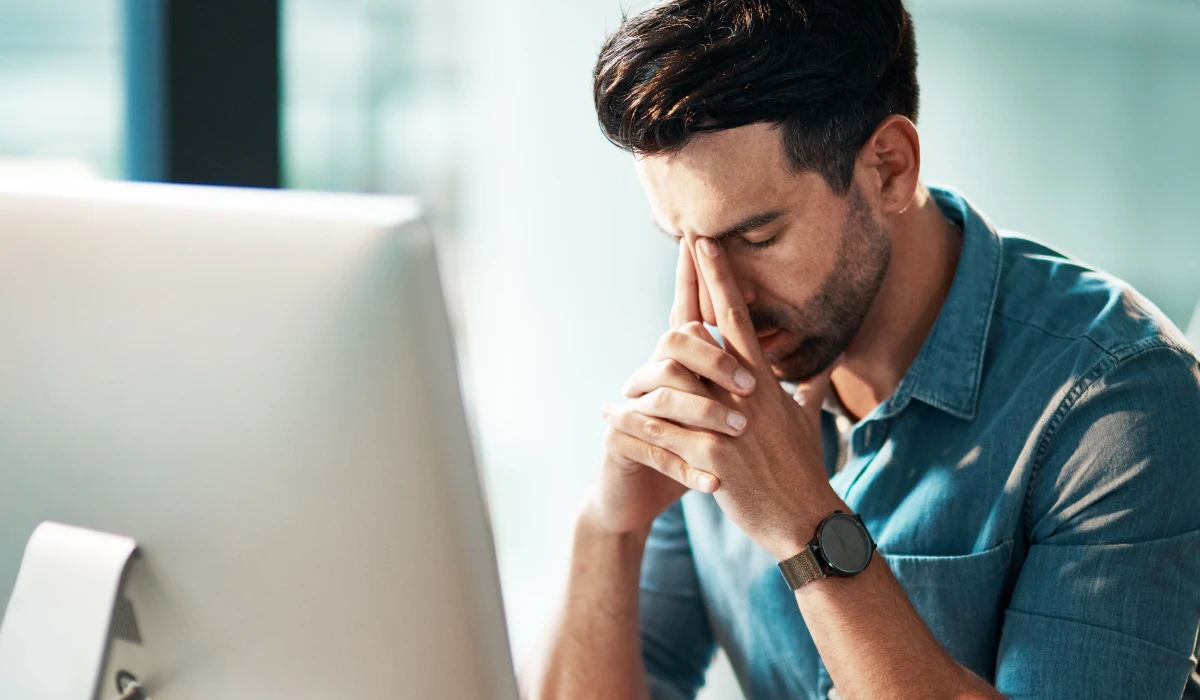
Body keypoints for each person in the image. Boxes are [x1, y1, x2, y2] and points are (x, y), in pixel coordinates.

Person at [520, 1, 1200, 698]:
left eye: (757, 238)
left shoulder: (1119, 400)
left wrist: (807, 528)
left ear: (889, 168)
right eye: (687, 246)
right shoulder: (725, 377)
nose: (723, 297)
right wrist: (611, 525)